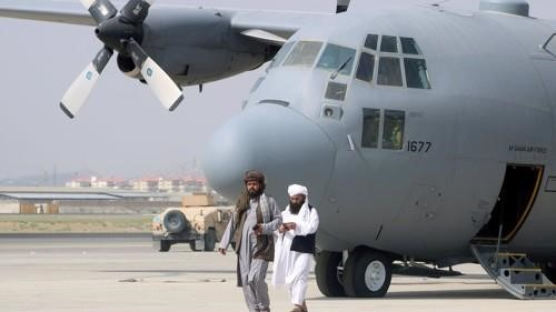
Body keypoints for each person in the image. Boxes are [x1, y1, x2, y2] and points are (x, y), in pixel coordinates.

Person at [219, 170, 282, 312]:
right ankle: (253, 309)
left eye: (254, 184)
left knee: (256, 278)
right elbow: (233, 222)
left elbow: (278, 221)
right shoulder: (242, 202)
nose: (251, 187)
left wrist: (264, 228)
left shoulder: (269, 201)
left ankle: (264, 307)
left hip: (262, 246)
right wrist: (224, 243)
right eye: (249, 184)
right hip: (244, 247)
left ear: (260, 185)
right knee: (246, 281)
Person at [272, 184, 319, 312]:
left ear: (304, 198)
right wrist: (281, 229)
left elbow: (312, 227)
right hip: (287, 250)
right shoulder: (285, 213)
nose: (294, 201)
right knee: (291, 279)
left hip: (303, 248)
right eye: (292, 199)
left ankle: (297, 306)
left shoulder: (311, 212)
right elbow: (276, 229)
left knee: (300, 275)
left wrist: (296, 226)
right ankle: (302, 306)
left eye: (297, 199)